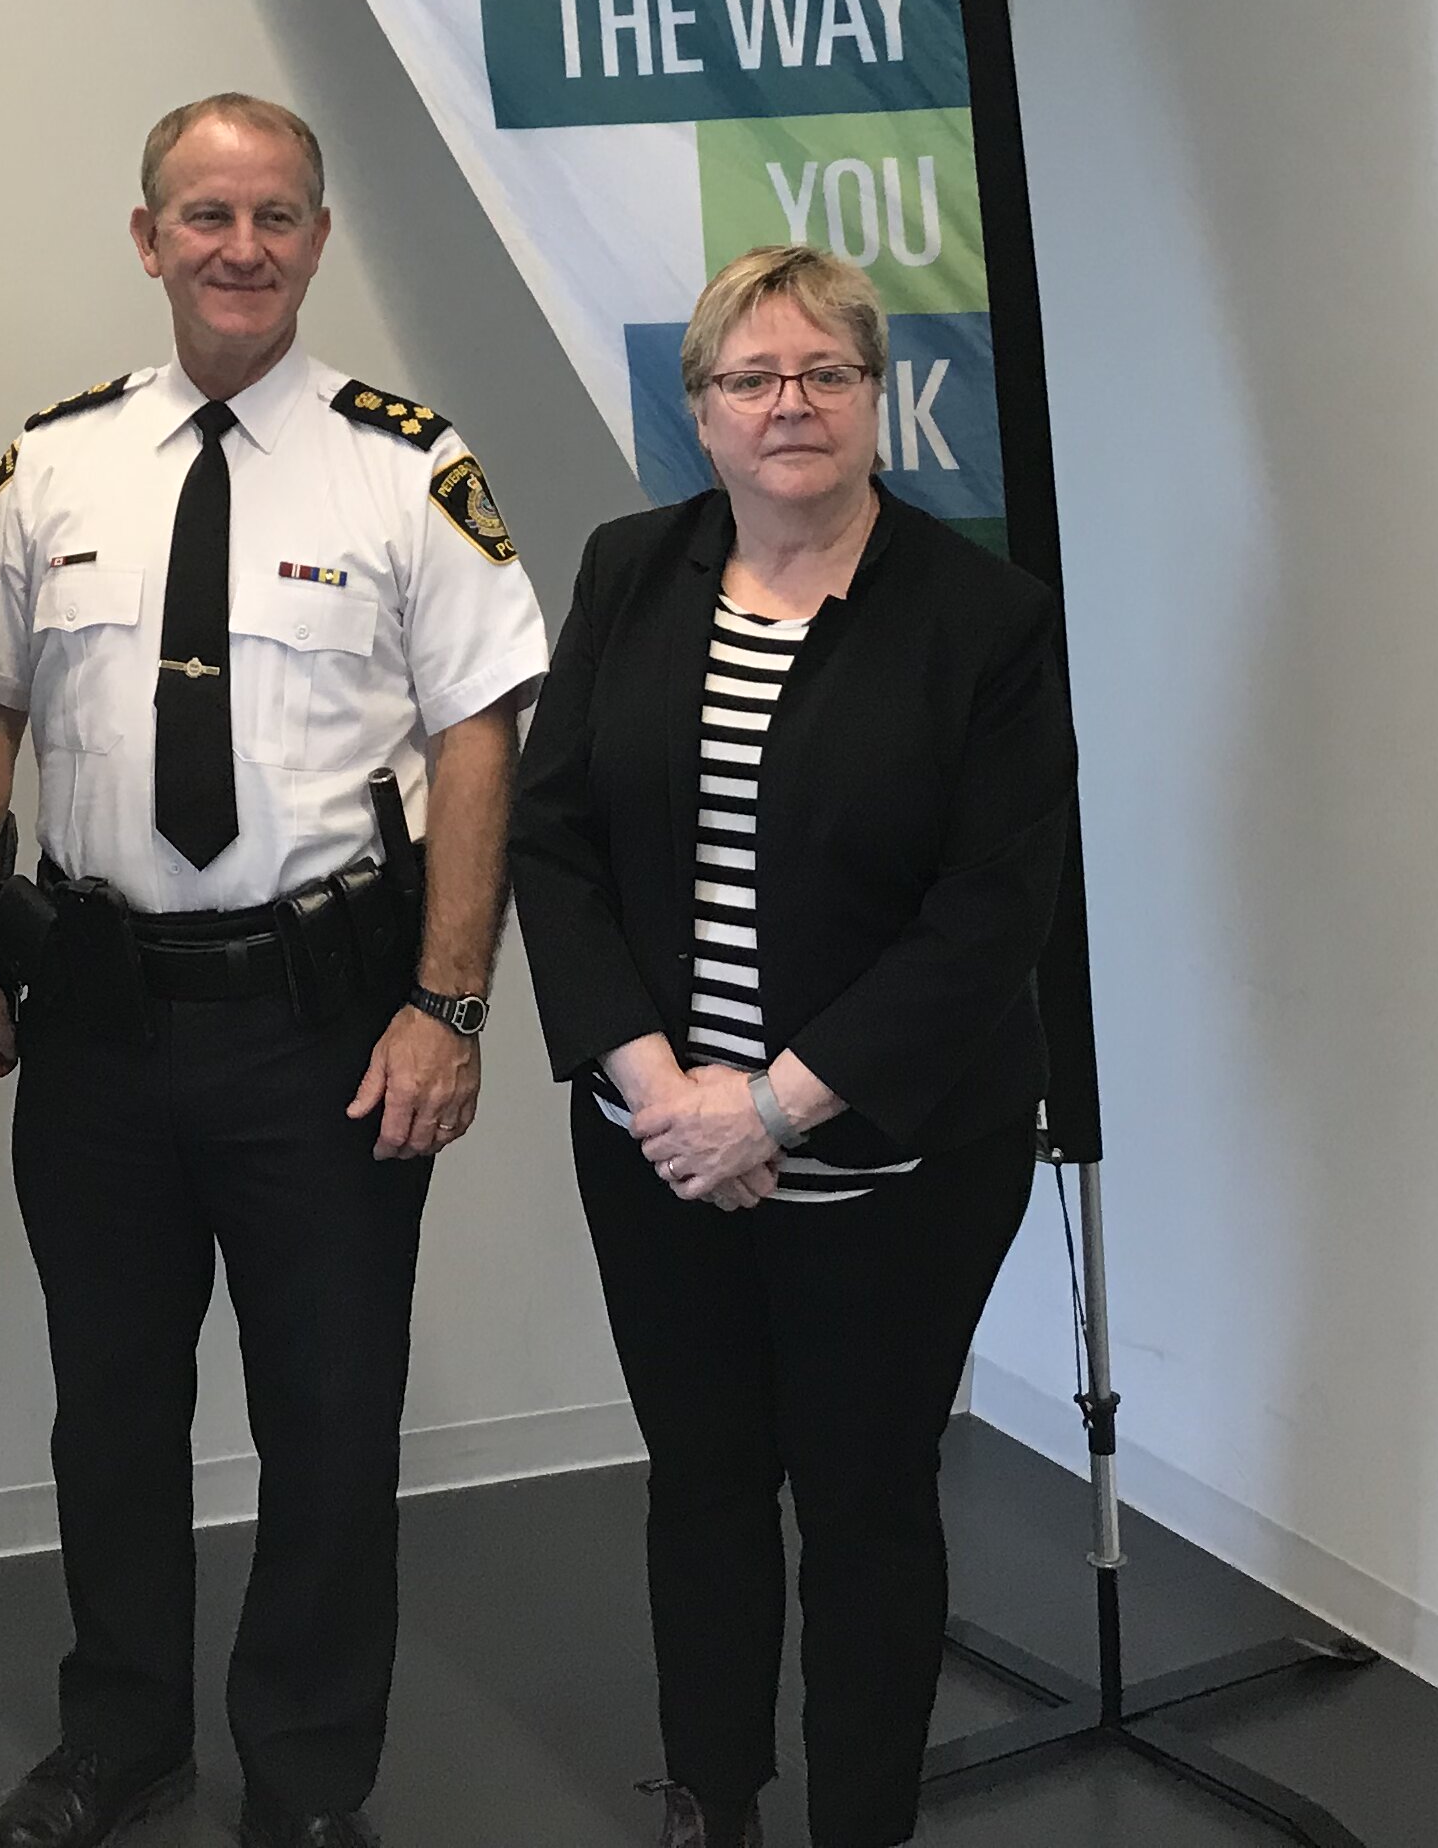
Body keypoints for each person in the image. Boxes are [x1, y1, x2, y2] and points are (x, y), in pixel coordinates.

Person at [0, 93, 549, 1848]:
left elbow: (479, 741)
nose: (241, 246)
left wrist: (449, 1003)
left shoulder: (406, 464)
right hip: (98, 1020)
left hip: (324, 1024)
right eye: (206, 215)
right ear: (148, 239)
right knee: (112, 1409)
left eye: (276, 216)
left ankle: (310, 1776)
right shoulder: (52, 463)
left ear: (318, 240)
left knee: (330, 1419)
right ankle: (121, 1736)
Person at [505, 245, 1077, 1848]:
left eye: (827, 372)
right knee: (699, 1485)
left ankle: (861, 1823)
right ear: (700, 410)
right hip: (660, 1155)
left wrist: (769, 1107)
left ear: (878, 397)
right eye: (752, 377)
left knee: (868, 1504)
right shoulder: (630, 570)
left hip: (893, 1170)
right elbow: (553, 841)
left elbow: (990, 914)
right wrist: (663, 1094)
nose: (790, 404)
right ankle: (715, 1801)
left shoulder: (983, 617)